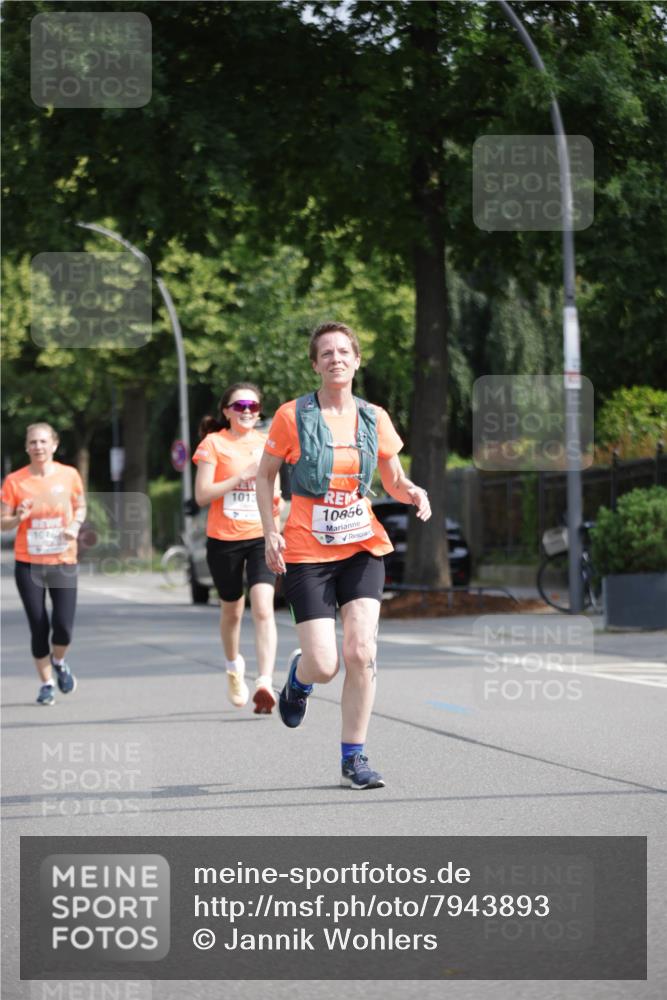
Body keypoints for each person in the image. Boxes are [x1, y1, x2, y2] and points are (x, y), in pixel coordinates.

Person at [256, 321, 431, 788]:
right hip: (307, 550)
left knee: (361, 650)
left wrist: (411, 490)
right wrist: (270, 531)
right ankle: (299, 679)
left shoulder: (374, 417)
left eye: (343, 351)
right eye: (326, 353)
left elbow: (392, 478)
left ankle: (354, 758)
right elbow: (266, 474)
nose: (336, 358)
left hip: (361, 545)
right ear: (315, 364)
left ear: (356, 361)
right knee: (325, 664)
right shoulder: (292, 416)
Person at [193, 382, 281, 714]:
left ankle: (264, 681)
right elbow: (202, 495)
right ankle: (233, 668)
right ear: (226, 411)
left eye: (253, 407)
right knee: (232, 610)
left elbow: (276, 493)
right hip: (223, 540)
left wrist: (277, 526)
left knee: (262, 607)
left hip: (260, 536)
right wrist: (241, 476)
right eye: (240, 406)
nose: (247, 412)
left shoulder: (268, 444)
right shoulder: (213, 444)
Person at [0, 422, 86, 706]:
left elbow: (81, 505)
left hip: (63, 559)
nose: (38, 447)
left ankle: (59, 661)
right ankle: (46, 683)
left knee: (63, 626)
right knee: (39, 625)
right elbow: (3, 523)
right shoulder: (15, 481)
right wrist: (18, 518)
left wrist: (74, 525)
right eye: (33, 442)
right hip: (29, 562)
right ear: (26, 447)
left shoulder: (69, 475)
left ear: (54, 445)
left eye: (43, 441)